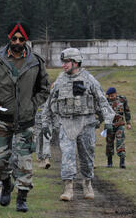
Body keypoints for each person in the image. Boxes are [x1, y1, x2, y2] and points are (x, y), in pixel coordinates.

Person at [0, 21, 50, 212]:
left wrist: (32, 105)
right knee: (0, 160)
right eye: (14, 38)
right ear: (9, 38)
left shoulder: (36, 61)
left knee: (24, 161)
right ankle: (6, 184)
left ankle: (22, 197)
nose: (17, 42)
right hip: (2, 119)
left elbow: (44, 89)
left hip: (25, 120)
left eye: (21, 39)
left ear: (26, 40)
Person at [42, 48, 115, 201]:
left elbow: (102, 100)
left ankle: (87, 183)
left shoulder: (89, 79)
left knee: (87, 156)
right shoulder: (60, 80)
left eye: (67, 62)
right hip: (67, 123)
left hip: (86, 123)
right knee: (67, 156)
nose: (64, 65)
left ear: (76, 62)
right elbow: (48, 104)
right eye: (63, 62)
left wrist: (108, 120)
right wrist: (44, 124)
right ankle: (68, 188)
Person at [105, 87, 131, 169]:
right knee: (109, 143)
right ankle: (109, 162)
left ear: (116, 93)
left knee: (120, 142)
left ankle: (122, 162)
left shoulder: (122, 100)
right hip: (109, 125)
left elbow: (127, 111)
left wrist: (128, 123)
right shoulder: (105, 102)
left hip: (120, 124)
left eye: (112, 96)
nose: (110, 97)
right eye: (109, 96)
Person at [34, 100, 52, 169]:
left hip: (47, 123)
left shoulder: (50, 97)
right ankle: (40, 159)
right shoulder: (36, 97)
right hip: (37, 123)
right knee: (39, 141)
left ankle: (47, 160)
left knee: (47, 140)